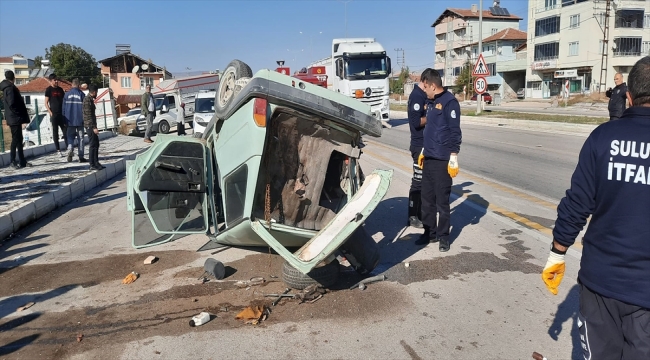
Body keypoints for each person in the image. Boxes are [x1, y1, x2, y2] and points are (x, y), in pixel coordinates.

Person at [542, 56, 650, 359]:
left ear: (628, 96)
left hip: (600, 283)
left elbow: (577, 203)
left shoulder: (603, 137)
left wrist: (557, 253)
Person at [415, 68, 461, 252]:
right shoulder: (431, 102)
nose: (423, 89)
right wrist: (424, 150)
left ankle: (443, 237)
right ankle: (429, 233)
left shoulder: (450, 103)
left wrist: (454, 156)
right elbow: (431, 129)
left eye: (425, 86)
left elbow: (455, 131)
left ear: (433, 86)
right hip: (429, 158)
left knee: (442, 201)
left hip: (443, 159)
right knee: (427, 200)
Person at [1, 70, 32, 168]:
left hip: (14, 118)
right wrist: (19, 113)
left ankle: (22, 161)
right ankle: (12, 161)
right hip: (14, 118)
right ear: (13, 78)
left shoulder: (7, 87)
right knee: (15, 139)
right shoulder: (9, 88)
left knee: (19, 139)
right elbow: (12, 103)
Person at [407, 81, 427, 228]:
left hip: (424, 144)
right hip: (419, 145)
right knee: (418, 181)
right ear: (425, 82)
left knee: (424, 182)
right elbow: (415, 122)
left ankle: (420, 213)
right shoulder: (417, 96)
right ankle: (413, 216)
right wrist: (432, 115)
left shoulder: (421, 96)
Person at [63, 79, 87, 163]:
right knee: (81, 138)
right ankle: (81, 156)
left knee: (70, 136)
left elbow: (63, 109)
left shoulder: (66, 95)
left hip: (69, 120)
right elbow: (85, 109)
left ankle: (70, 149)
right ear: (79, 85)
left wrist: (64, 120)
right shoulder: (82, 94)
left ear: (72, 85)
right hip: (80, 120)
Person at [44, 73, 68, 156]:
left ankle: (68, 148)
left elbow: (64, 102)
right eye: (55, 80)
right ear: (51, 81)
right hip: (54, 115)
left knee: (65, 132)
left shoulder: (60, 90)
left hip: (62, 115)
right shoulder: (48, 90)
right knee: (55, 133)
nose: (56, 81)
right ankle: (58, 150)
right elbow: (46, 103)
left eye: (57, 79)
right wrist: (50, 113)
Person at [83, 85, 104, 170]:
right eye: (96, 92)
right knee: (93, 144)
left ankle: (96, 162)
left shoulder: (90, 100)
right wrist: (94, 127)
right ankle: (92, 164)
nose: (96, 94)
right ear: (94, 92)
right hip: (90, 126)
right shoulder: (87, 100)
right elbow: (88, 116)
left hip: (91, 125)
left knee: (96, 143)